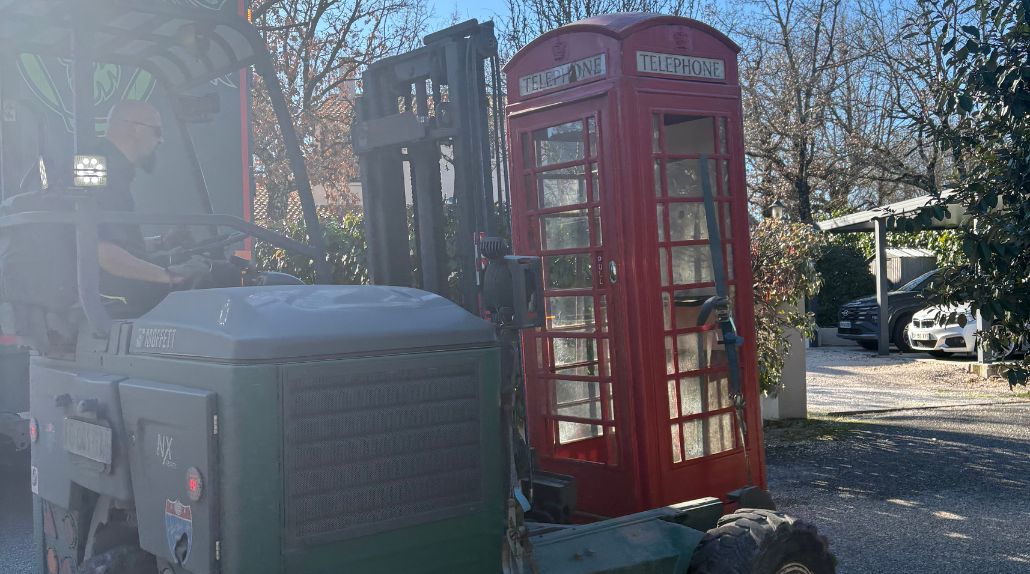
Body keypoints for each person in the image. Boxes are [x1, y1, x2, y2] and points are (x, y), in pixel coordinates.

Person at [94, 100, 195, 314]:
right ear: (135, 128)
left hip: (108, 287)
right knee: (214, 281)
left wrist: (161, 243)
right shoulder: (103, 173)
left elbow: (114, 241)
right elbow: (101, 252)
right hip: (114, 296)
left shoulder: (110, 170)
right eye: (157, 131)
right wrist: (167, 277)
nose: (161, 140)